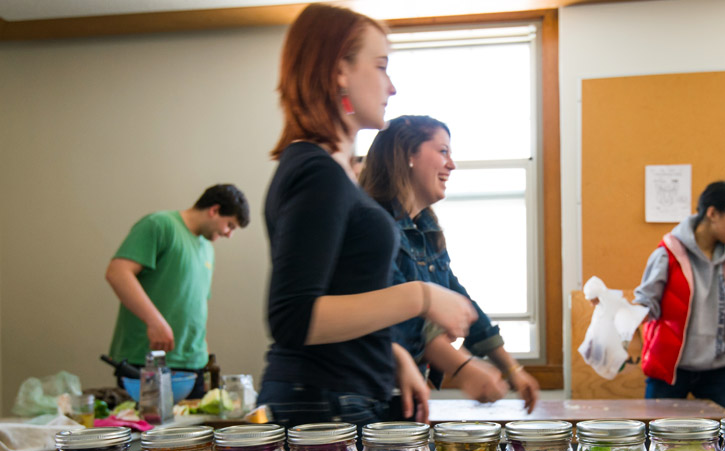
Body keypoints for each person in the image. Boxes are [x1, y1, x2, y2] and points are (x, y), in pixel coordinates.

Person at [259, 5, 477, 429]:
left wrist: (393, 357)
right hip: (321, 408)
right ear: (339, 69)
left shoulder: (334, 172)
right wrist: (424, 297)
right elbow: (294, 318)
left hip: (343, 398)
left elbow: (344, 290)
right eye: (381, 67)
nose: (391, 87)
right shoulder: (316, 172)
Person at [360, 115, 539, 412]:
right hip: (371, 396)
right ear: (408, 154)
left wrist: (511, 368)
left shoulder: (426, 231)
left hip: (407, 396)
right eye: (443, 151)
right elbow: (402, 317)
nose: (452, 164)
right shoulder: (375, 225)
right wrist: (464, 368)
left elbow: (463, 303)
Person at [106, 183, 250, 399]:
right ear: (214, 210)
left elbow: (194, 303)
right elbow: (117, 273)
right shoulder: (159, 225)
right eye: (229, 225)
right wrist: (155, 321)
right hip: (148, 362)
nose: (228, 234)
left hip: (193, 365)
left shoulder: (207, 249)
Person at [633, 181, 725, 413]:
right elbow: (645, 303)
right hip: (671, 369)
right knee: (657, 439)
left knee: (724, 442)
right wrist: (613, 308)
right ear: (712, 213)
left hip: (718, 370)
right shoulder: (668, 255)